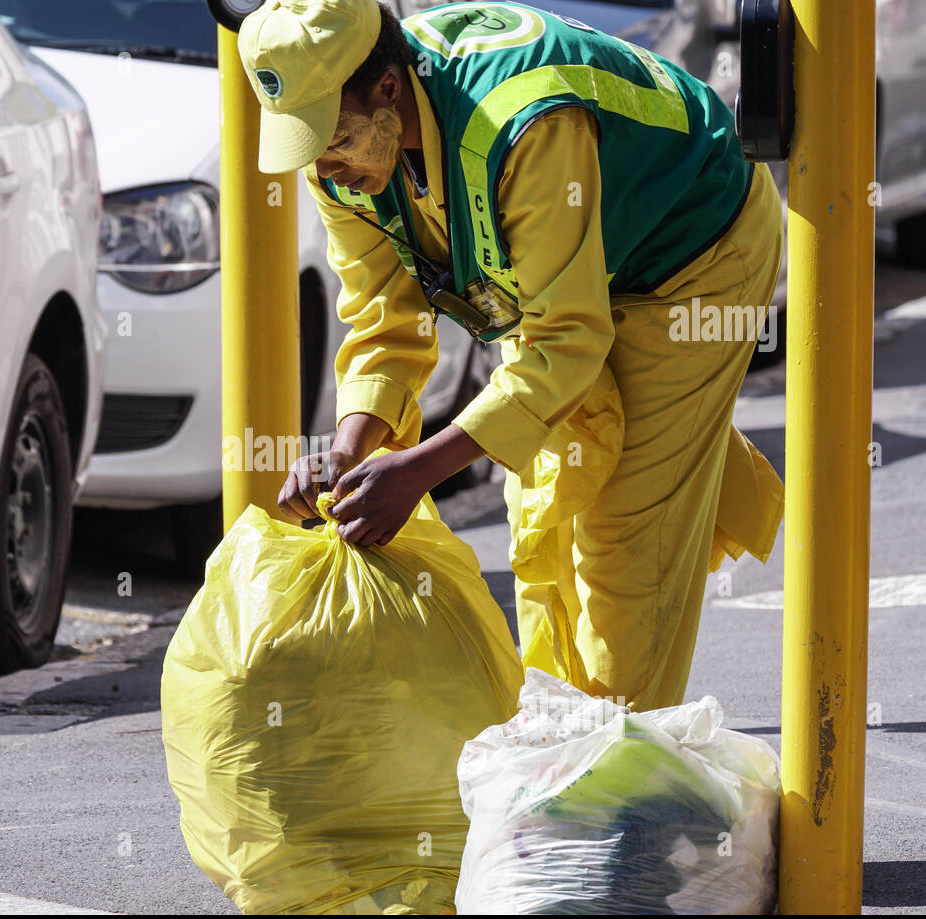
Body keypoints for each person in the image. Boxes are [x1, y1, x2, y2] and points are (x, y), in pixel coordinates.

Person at [241, 0, 785, 711]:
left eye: (332, 139)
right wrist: (347, 451)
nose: (326, 169)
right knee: (546, 527)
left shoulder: (525, 126)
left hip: (691, 257)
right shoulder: (341, 166)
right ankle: (560, 748)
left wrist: (420, 468)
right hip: (566, 286)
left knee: (622, 553)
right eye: (305, 145)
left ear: (386, 87)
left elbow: (568, 340)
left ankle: (616, 792)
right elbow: (384, 321)